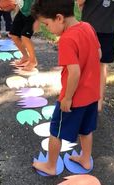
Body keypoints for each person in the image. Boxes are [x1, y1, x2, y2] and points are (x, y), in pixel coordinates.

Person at [31, 0, 101, 175]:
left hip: (74, 99)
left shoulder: (67, 39)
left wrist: (67, 98)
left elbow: (74, 72)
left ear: (59, 18)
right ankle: (85, 159)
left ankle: (51, 166)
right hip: (92, 95)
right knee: (86, 129)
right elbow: (98, 54)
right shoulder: (87, 26)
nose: (47, 28)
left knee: (56, 131)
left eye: (47, 24)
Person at [76, 0, 114, 112]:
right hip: (103, 29)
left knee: (86, 63)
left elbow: (80, 3)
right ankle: (98, 101)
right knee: (100, 65)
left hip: (92, 27)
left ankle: (87, 98)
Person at [10, 0, 37, 71]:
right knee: (13, 35)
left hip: (33, 14)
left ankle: (33, 61)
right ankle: (25, 57)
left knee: (25, 37)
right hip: (22, 12)